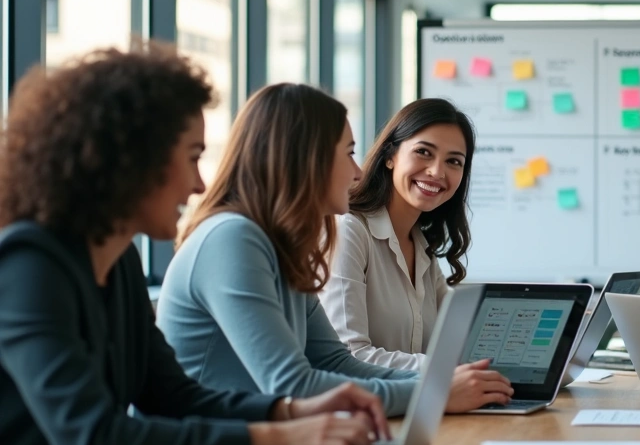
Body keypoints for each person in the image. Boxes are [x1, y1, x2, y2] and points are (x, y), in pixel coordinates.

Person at [0, 46, 391, 445]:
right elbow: (96, 442)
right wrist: (278, 437)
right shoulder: (29, 265)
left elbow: (174, 397)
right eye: (191, 157)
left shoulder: (118, 260)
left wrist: (291, 413)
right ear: (129, 161)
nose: (200, 185)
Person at [157, 84, 512, 417]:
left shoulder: (283, 249)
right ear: (304, 160)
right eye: (348, 154)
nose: (358, 173)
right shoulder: (232, 239)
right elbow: (295, 386)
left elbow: (337, 363)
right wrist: (434, 394)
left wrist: (437, 386)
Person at [320, 99, 500, 376]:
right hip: (360, 412)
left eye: (454, 161)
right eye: (424, 152)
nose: (437, 172)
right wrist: (448, 369)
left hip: (415, 408)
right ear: (390, 155)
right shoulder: (349, 230)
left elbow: (458, 340)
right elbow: (349, 355)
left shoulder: (421, 245)